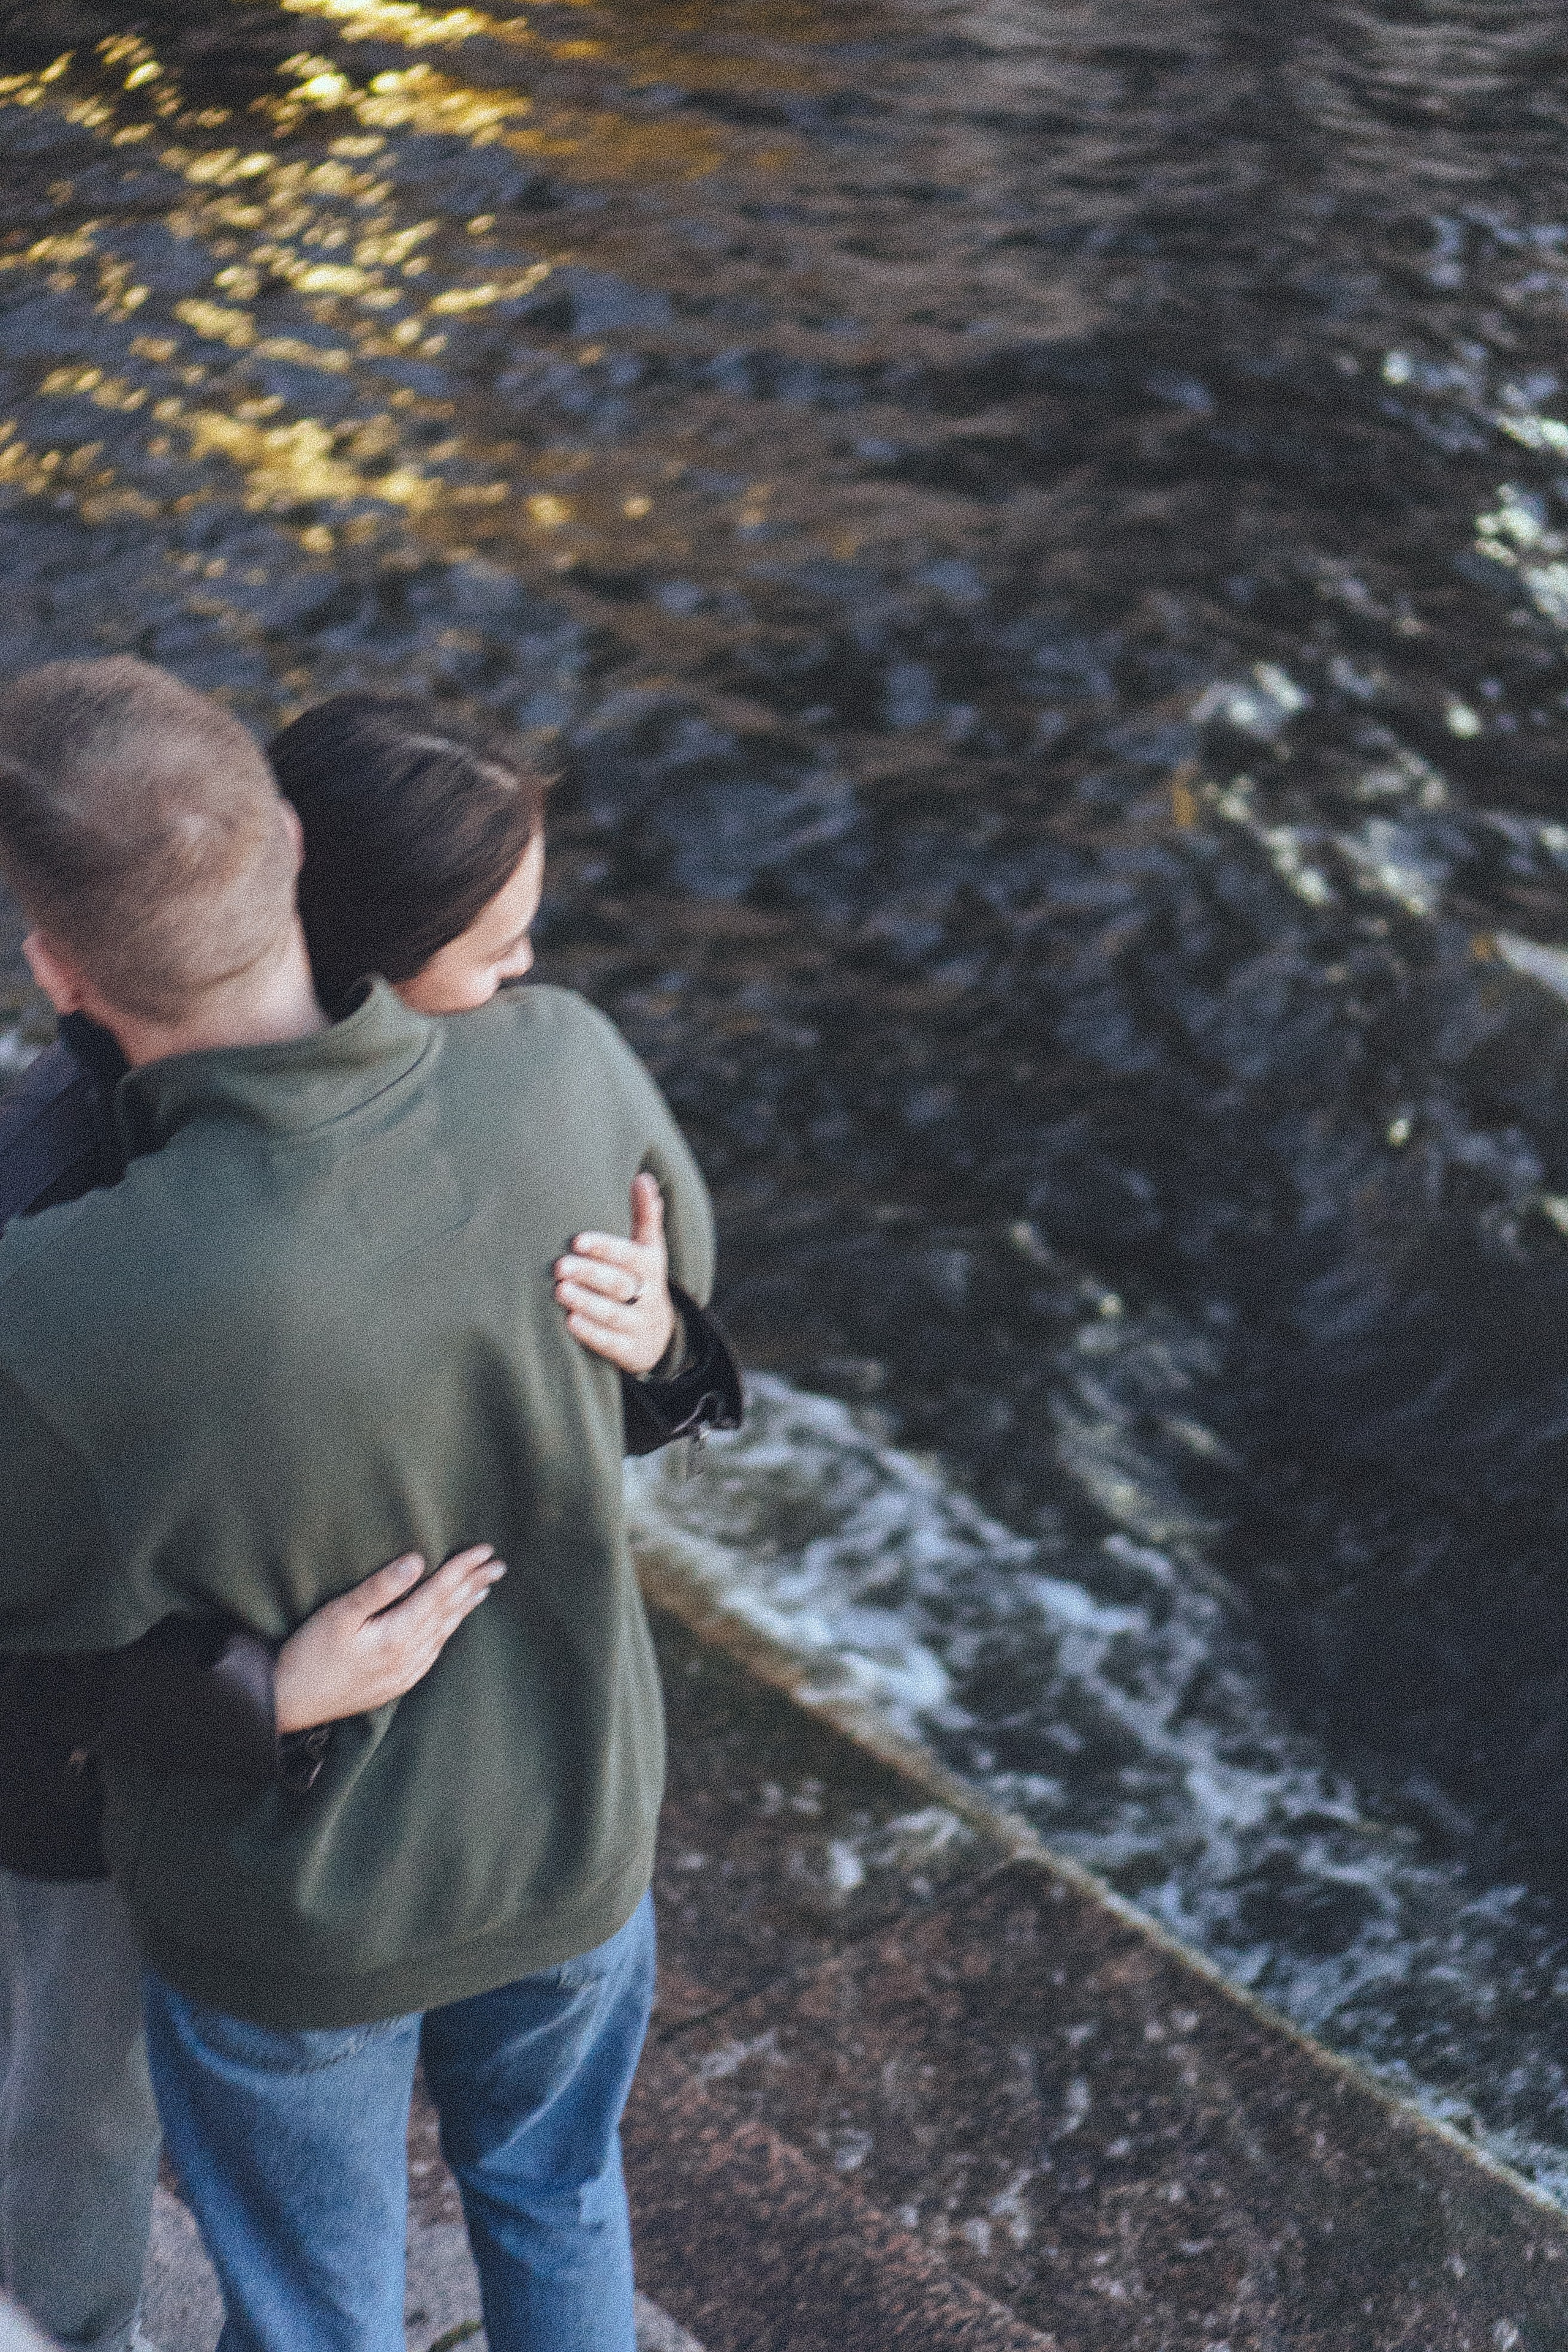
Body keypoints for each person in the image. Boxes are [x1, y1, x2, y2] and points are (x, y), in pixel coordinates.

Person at [0, 664, 737, 2352]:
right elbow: (660, 1309)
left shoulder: (55, 1294)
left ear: (57, 966)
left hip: (302, 1904)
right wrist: (671, 1342)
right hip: (574, 1829)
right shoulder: (565, 1060)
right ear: (292, 849)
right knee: (559, 2200)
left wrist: (253, 1693)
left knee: (320, 2309)